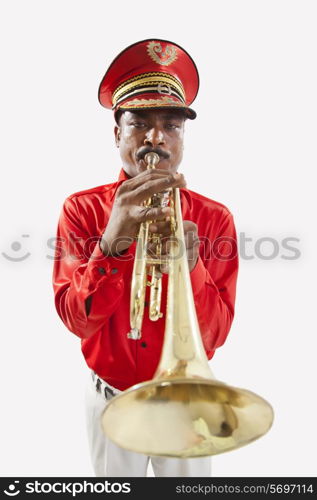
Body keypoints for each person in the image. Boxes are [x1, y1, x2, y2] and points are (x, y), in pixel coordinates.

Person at [52, 38, 239, 477]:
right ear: (118, 133)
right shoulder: (80, 210)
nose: (156, 137)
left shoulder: (214, 218)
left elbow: (213, 336)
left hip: (186, 401)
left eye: (171, 125)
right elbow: (77, 320)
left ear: (182, 138)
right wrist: (112, 242)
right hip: (112, 399)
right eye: (140, 123)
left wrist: (191, 265)